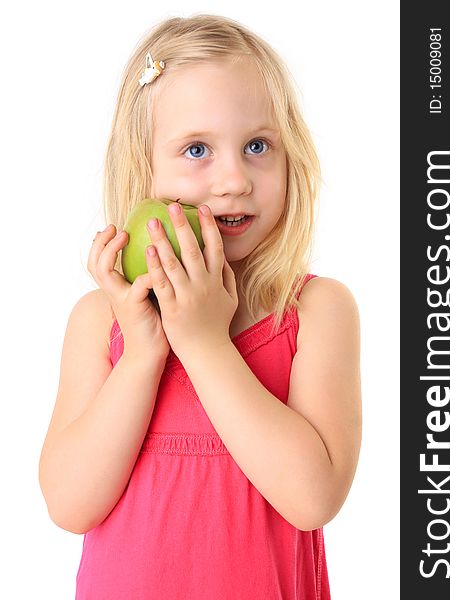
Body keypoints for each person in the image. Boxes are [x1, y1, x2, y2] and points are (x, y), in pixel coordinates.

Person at [38, 14, 361, 600]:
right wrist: (143, 353)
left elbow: (314, 499)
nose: (235, 178)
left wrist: (206, 343)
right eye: (196, 150)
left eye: (258, 146)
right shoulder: (100, 322)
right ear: (145, 168)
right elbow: (69, 504)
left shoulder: (316, 310)